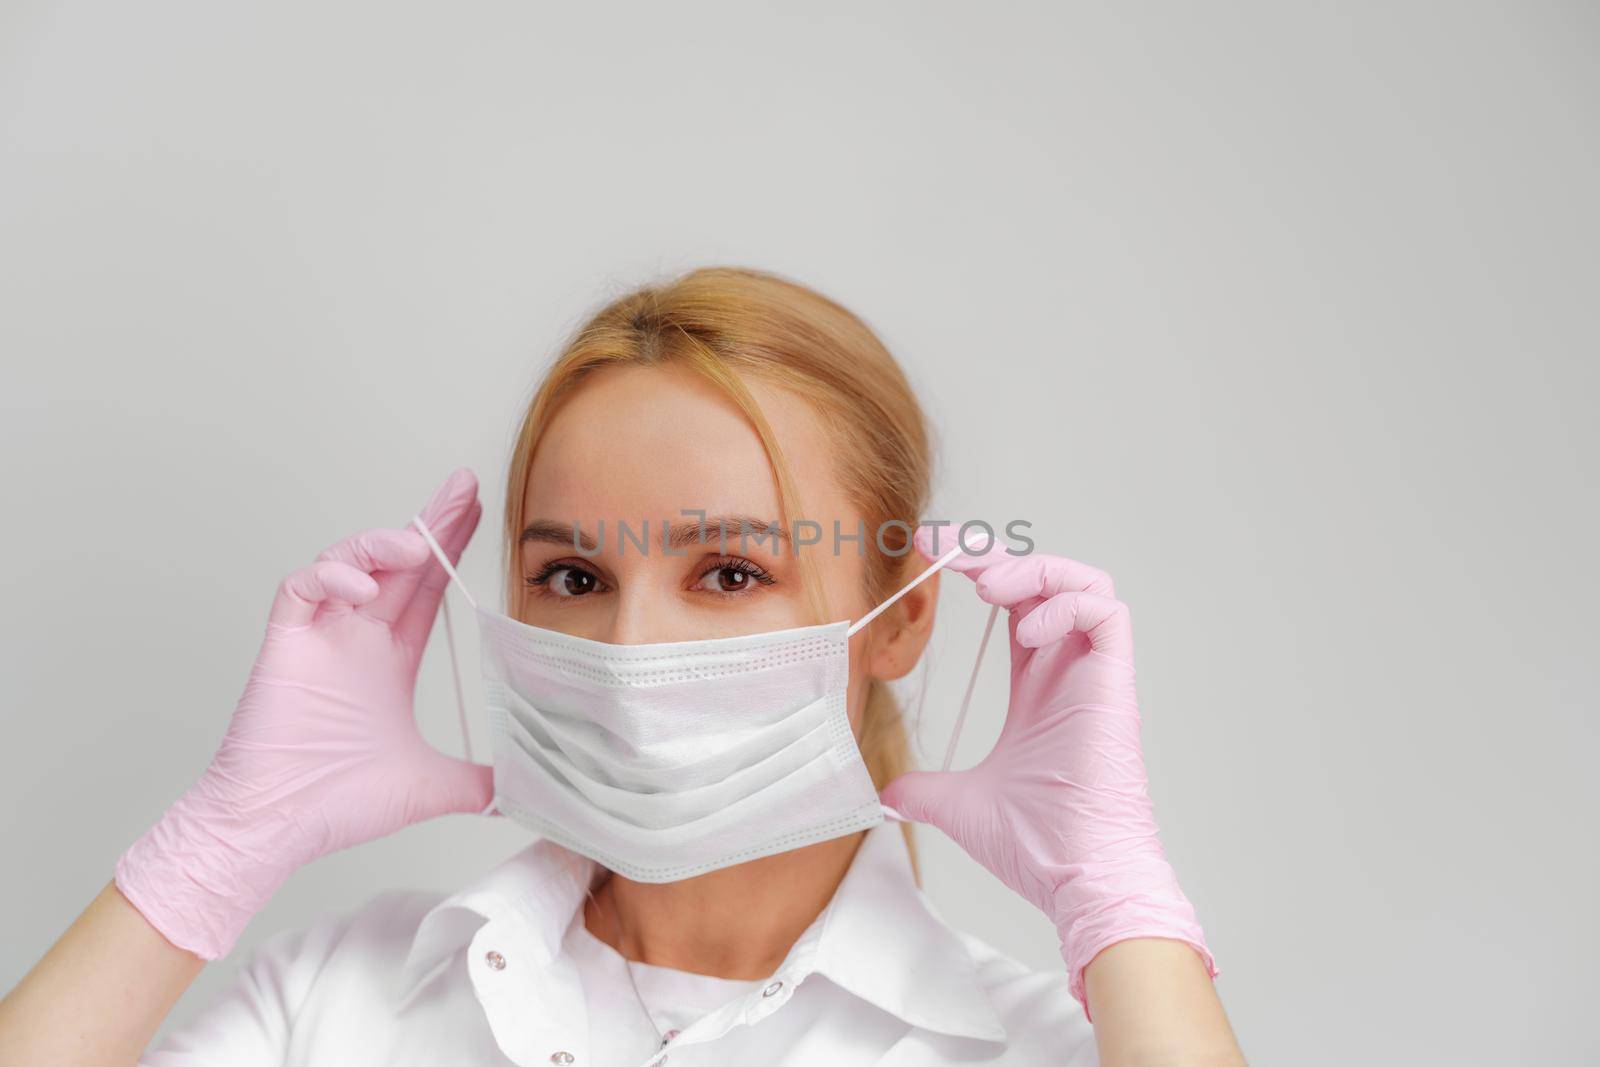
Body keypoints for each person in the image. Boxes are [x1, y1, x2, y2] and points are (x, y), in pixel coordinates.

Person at [0, 267, 1244, 1066]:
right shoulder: (339, 998)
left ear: (897, 619)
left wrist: (1121, 907)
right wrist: (213, 850)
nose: (631, 652)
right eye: (575, 577)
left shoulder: (1041, 1048)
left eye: (729, 571)